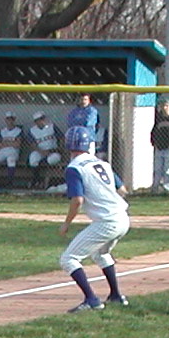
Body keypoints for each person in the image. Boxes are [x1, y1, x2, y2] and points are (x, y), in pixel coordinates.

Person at [58, 129, 130, 311]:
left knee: (68, 259)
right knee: (100, 254)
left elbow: (77, 200)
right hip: (123, 217)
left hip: (107, 222)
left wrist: (66, 224)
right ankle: (115, 296)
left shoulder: (74, 168)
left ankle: (92, 300)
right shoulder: (102, 163)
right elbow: (122, 190)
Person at [149, 101, 169, 192]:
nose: (164, 108)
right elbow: (153, 132)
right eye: (163, 106)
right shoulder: (158, 118)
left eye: (167, 106)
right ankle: (155, 188)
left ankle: (167, 188)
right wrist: (154, 142)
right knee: (157, 169)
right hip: (159, 148)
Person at [65, 93, 101, 157]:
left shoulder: (92, 111)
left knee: (89, 157)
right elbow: (70, 123)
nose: (83, 101)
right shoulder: (74, 111)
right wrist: (80, 123)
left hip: (88, 139)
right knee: (75, 158)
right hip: (75, 140)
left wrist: (77, 123)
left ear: (89, 100)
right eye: (82, 99)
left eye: (85, 99)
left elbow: (88, 123)